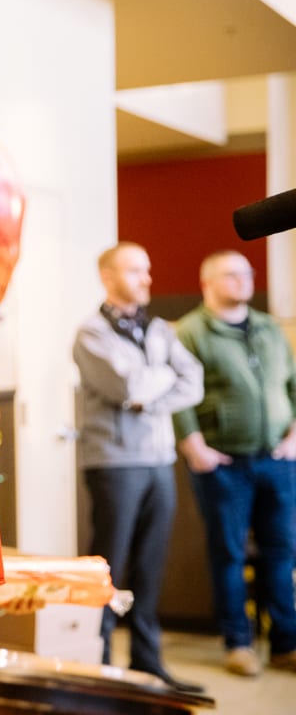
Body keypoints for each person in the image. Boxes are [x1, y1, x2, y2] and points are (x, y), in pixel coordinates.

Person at [72, 242, 204, 693]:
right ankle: (101, 665)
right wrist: (153, 380)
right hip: (115, 464)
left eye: (147, 269)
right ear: (108, 277)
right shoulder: (90, 334)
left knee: (150, 566)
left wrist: (150, 389)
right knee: (111, 568)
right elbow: (128, 384)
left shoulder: (161, 329)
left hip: (159, 461)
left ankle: (149, 665)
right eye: (135, 270)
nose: (148, 278)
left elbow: (193, 381)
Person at [173, 249, 296, 677]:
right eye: (231, 274)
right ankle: (238, 644)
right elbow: (178, 393)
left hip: (278, 461)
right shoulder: (191, 331)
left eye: (247, 273)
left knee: (283, 552)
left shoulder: (268, 328)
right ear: (208, 282)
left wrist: (295, 437)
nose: (243, 281)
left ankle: (285, 643)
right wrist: (194, 447)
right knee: (228, 554)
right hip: (224, 465)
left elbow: (293, 383)